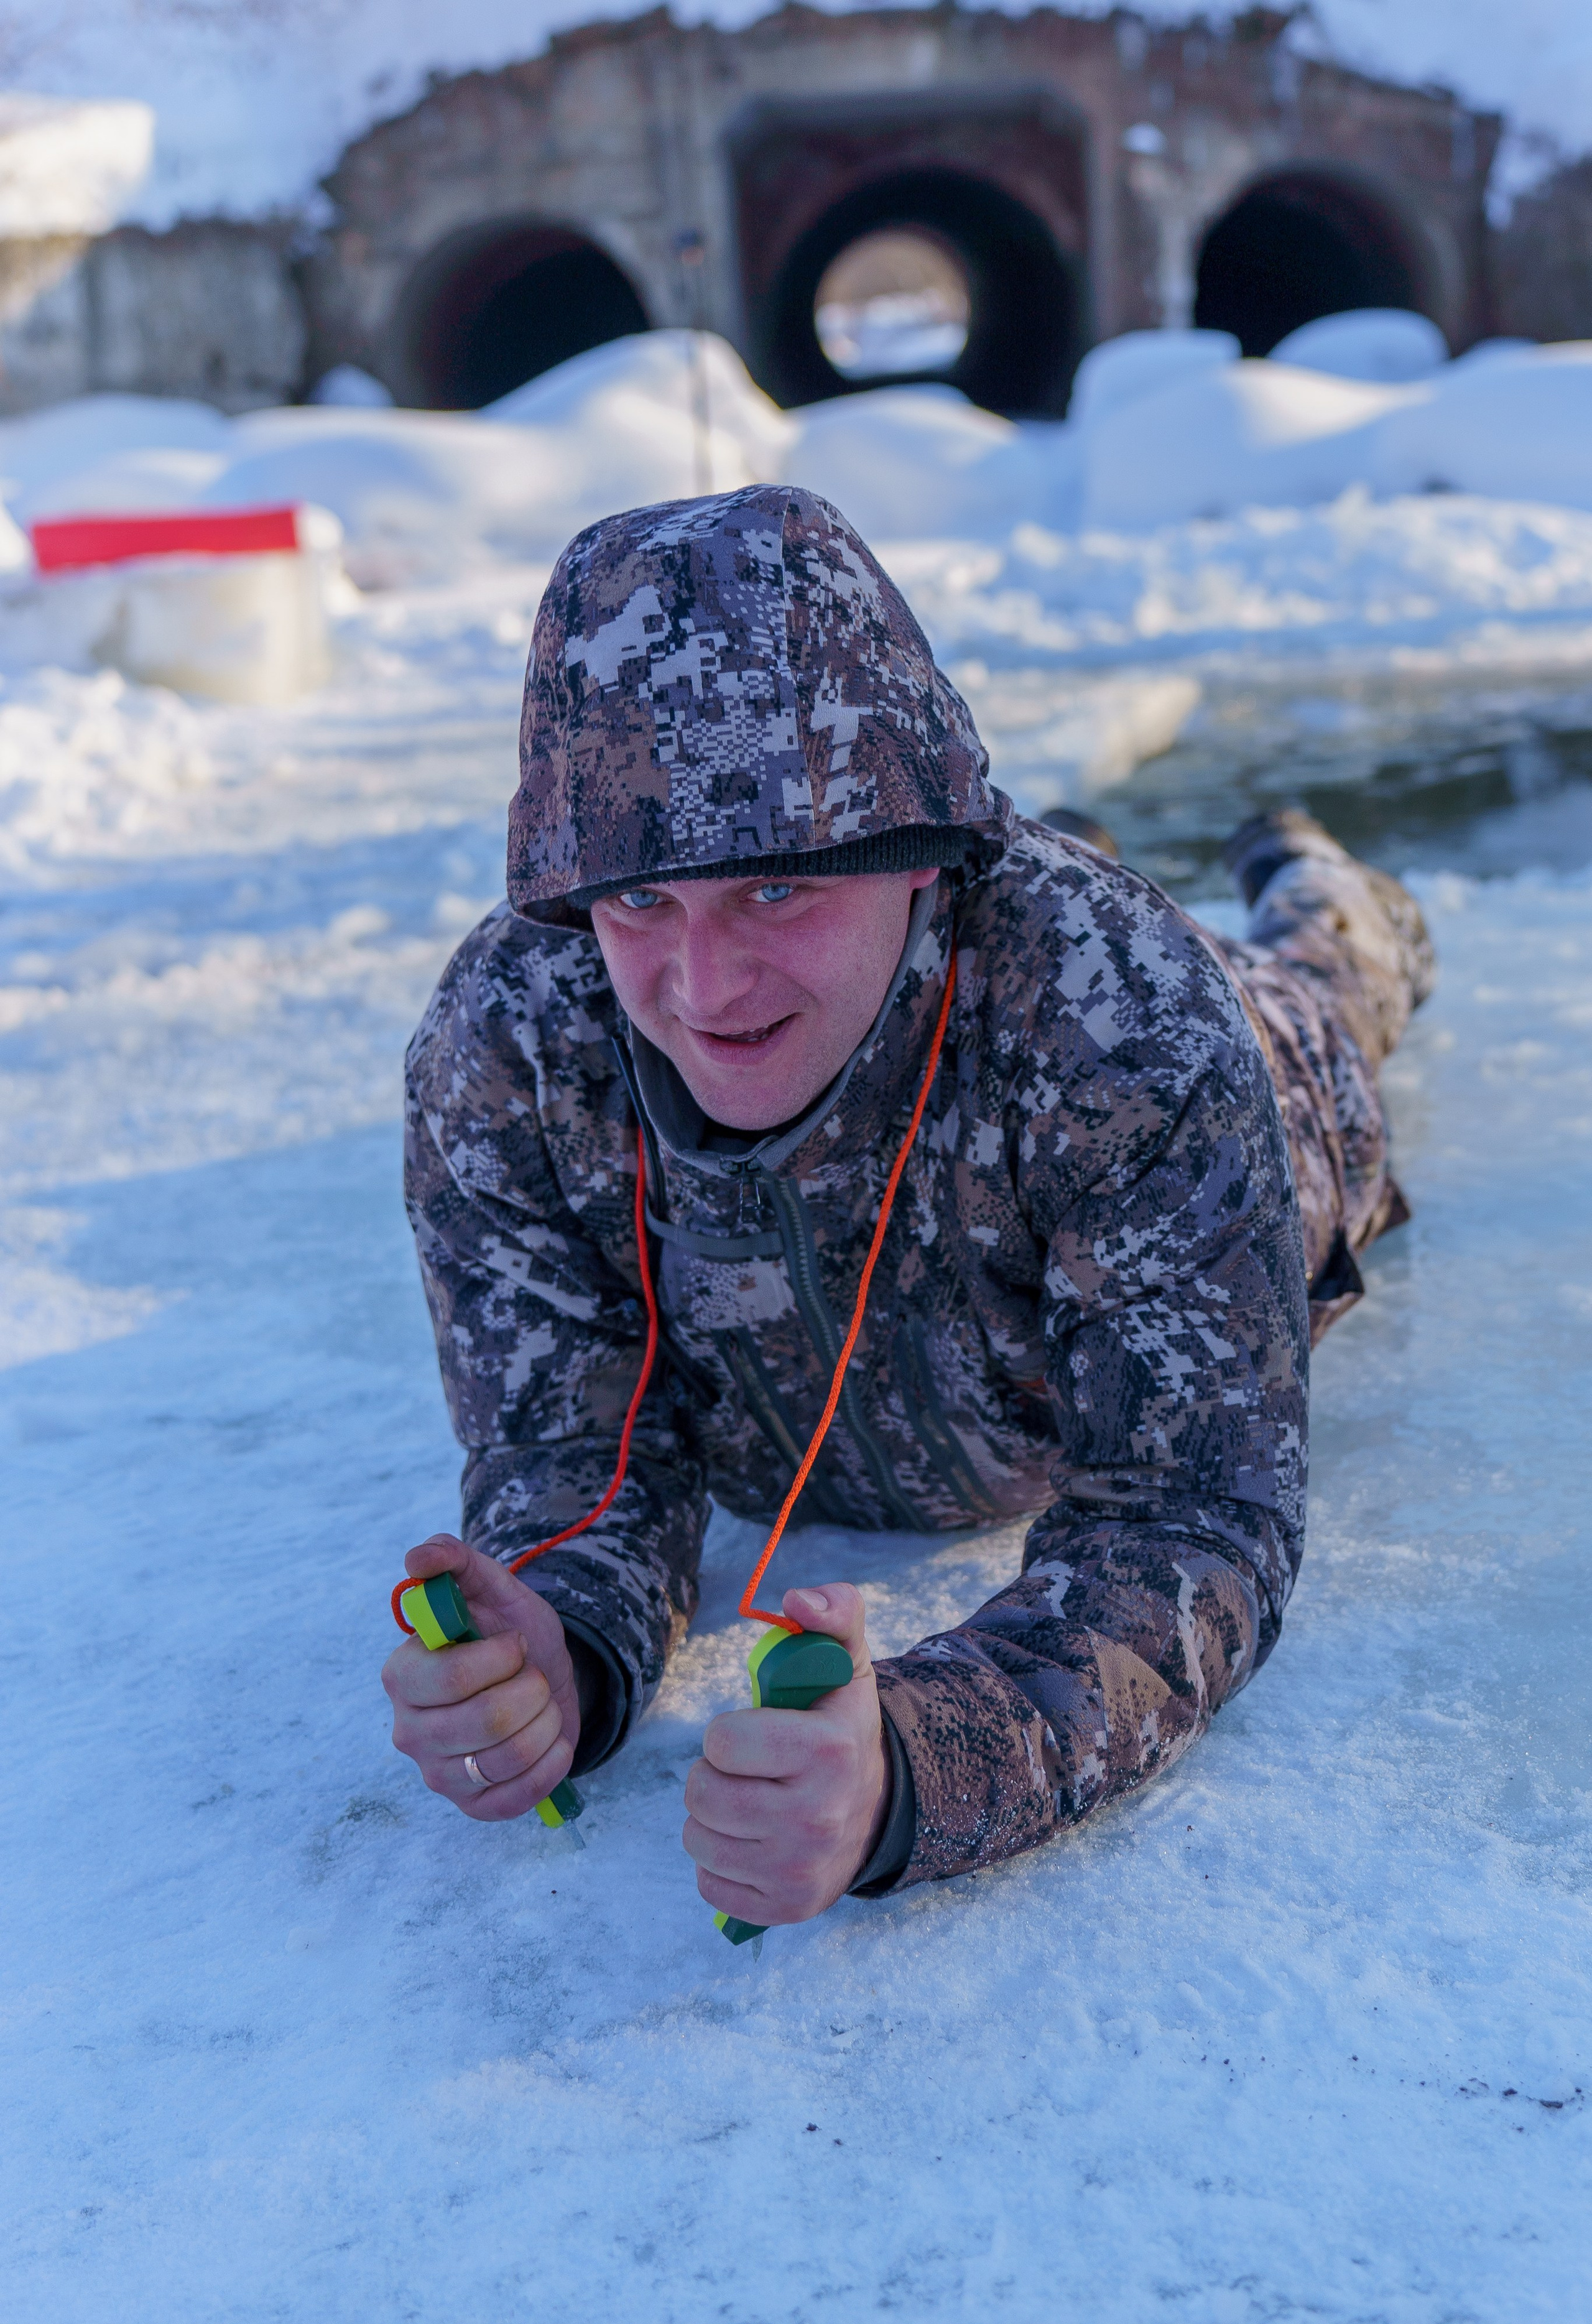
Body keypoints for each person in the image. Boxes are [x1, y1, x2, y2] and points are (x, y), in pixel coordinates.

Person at [382, 484, 1434, 1930]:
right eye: (640, 906)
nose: (703, 990)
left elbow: (1186, 1514)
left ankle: (1325, 888)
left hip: (1264, 1079)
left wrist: (921, 1764)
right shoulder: (507, 1042)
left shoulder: (1127, 1028)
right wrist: (557, 1645)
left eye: (770, 891)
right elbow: (569, 1434)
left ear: (916, 853)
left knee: (1314, 993)